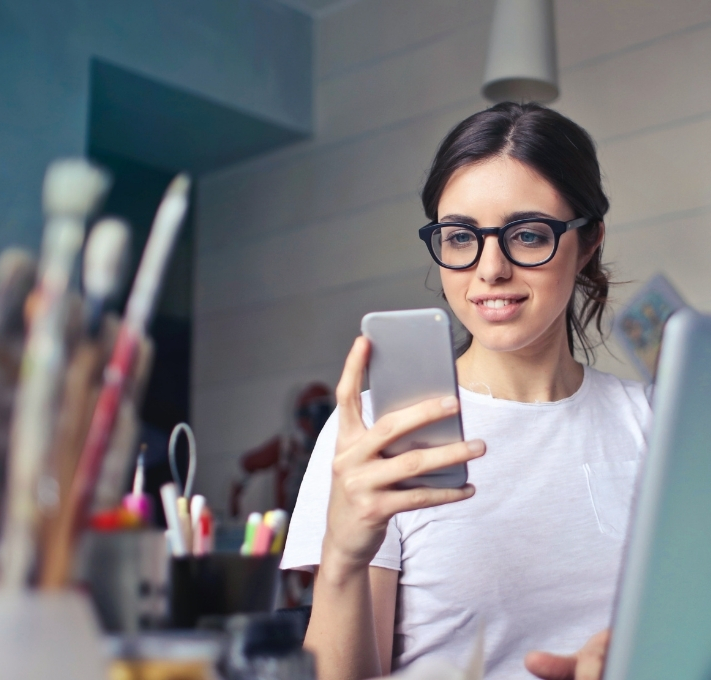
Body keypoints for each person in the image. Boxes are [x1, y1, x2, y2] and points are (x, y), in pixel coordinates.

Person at [282, 102, 651, 680]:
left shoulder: (656, 423)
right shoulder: (382, 434)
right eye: (460, 237)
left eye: (528, 234)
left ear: (588, 242)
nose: (490, 269)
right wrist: (343, 560)